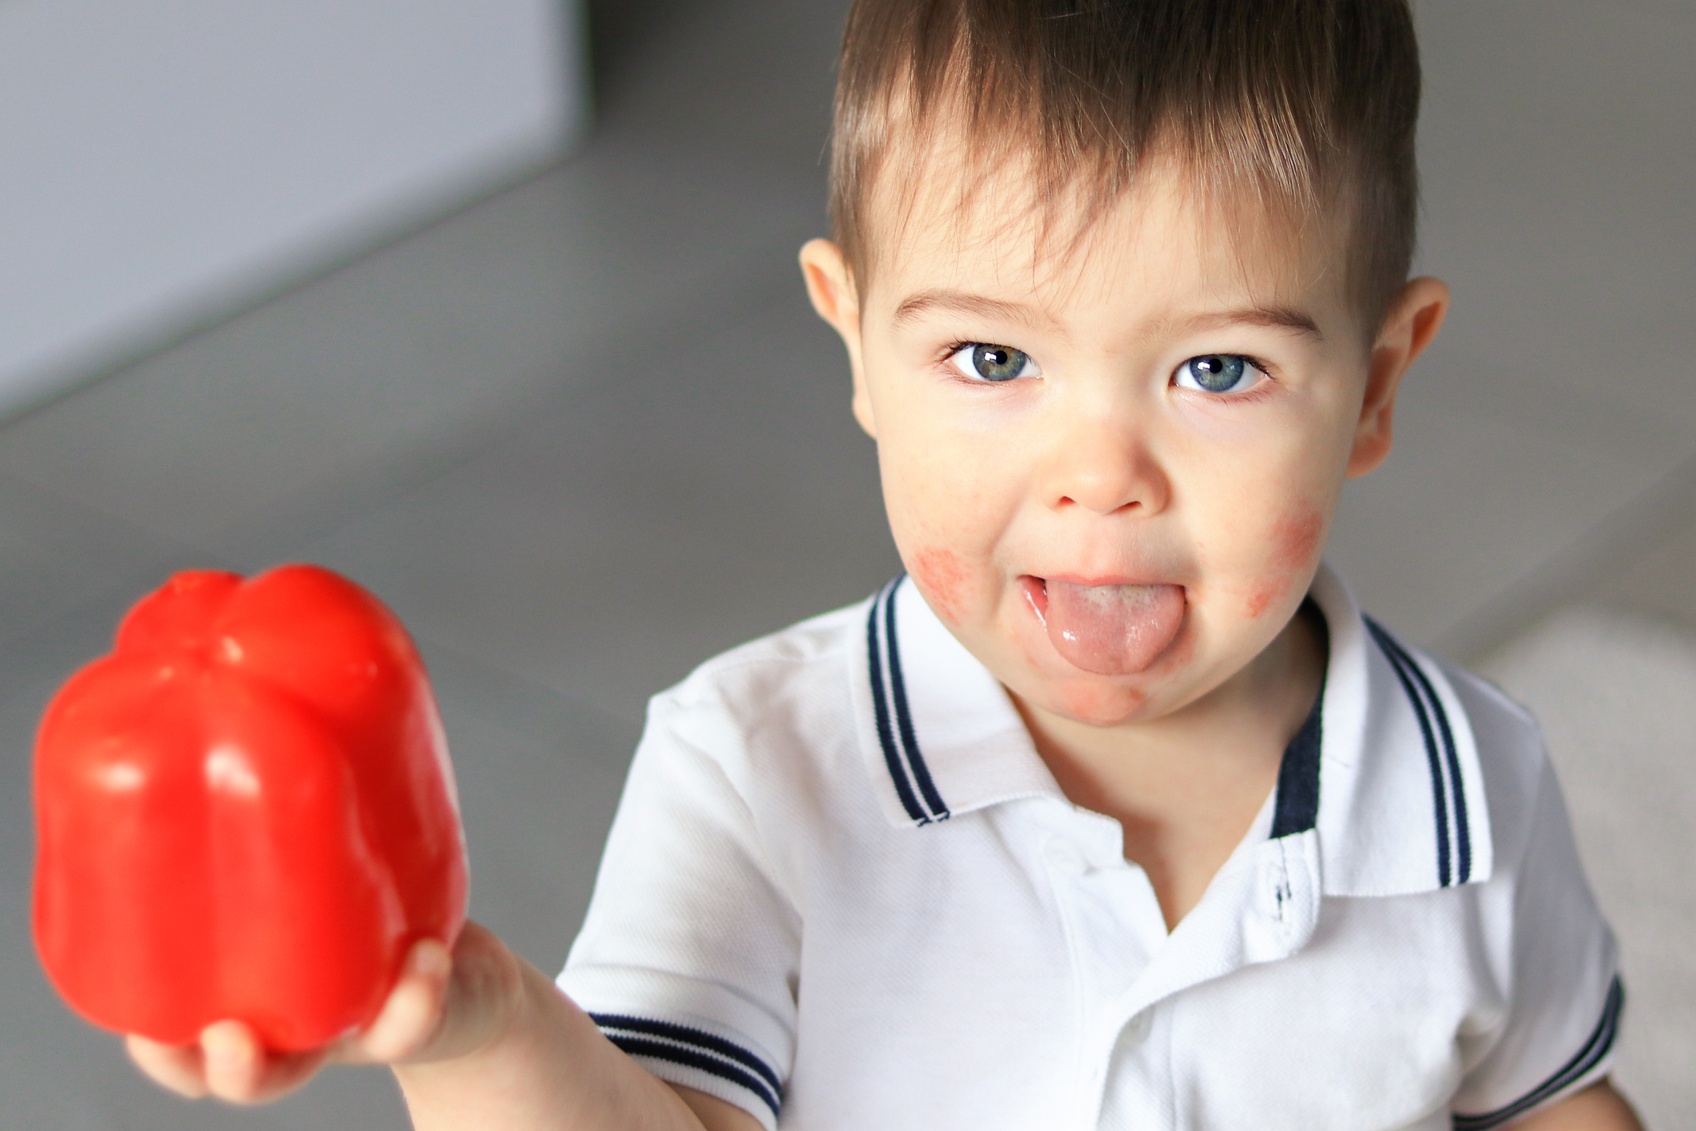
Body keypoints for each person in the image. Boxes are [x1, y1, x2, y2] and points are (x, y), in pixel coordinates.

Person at [125, 1, 1646, 1127]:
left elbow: (1550, 1098)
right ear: (853, 342)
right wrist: (473, 1027)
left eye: (1218, 372)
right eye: (993, 356)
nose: (1099, 477)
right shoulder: (755, 767)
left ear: (1378, 384)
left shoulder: (1468, 783)